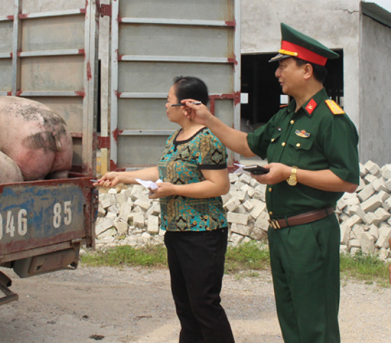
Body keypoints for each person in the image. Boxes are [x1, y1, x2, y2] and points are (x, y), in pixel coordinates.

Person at [182, 23, 359, 343]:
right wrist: (207, 119)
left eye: (283, 65)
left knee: (315, 322)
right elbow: (248, 145)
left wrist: (289, 173)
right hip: (281, 232)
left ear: (307, 70)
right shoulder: (285, 117)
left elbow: (347, 180)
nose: (277, 72)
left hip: (311, 233)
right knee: (291, 320)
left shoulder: (330, 119)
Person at [96, 76, 235, 343]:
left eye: (168, 101)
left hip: (203, 233)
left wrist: (174, 189)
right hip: (177, 231)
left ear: (185, 107)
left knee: (204, 306)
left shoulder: (208, 139)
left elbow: (219, 186)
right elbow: (162, 172)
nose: (165, 106)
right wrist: (122, 176)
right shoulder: (176, 137)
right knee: (185, 307)